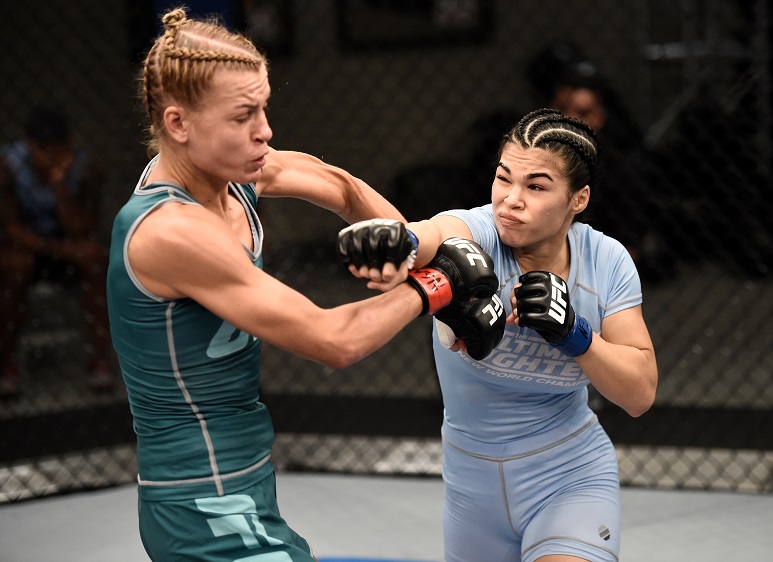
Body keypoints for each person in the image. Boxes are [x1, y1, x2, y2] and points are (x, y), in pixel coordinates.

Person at [107, 8, 499, 561]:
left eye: (264, 107)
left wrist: (404, 248)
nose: (264, 130)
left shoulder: (233, 175)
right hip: (203, 508)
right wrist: (437, 284)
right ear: (179, 124)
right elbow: (332, 341)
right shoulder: (172, 232)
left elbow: (339, 186)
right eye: (243, 115)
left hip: (243, 483)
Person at [340, 109, 658, 562]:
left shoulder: (606, 262)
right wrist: (398, 243)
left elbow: (640, 392)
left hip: (570, 476)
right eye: (503, 178)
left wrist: (575, 334)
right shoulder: (478, 233)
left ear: (578, 199)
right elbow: (435, 235)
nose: (510, 200)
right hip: (472, 488)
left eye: (536, 186)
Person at [0, 105, 115, 398]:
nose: (50, 156)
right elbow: (10, 228)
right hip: (29, 248)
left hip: (68, 247)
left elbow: (82, 227)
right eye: (43, 149)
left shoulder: (85, 168)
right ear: (29, 144)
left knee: (96, 258)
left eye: (57, 148)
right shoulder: (9, 165)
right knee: (15, 265)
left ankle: (99, 359)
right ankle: (6, 364)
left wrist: (60, 186)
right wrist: (60, 250)